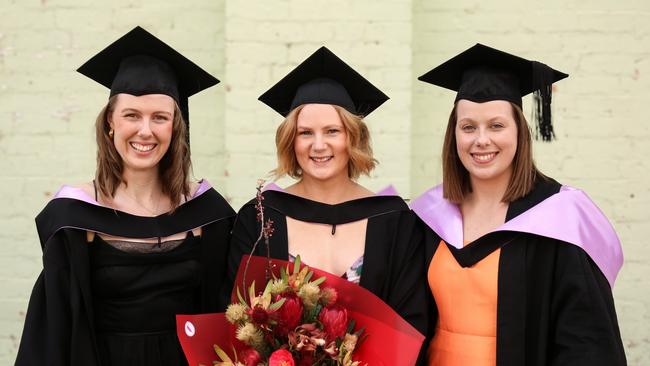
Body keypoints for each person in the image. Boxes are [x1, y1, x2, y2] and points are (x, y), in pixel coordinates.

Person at [15, 26, 235, 366]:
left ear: (175, 127)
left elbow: (227, 313)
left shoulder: (208, 213)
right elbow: (52, 330)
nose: (145, 131)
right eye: (131, 115)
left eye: (159, 118)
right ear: (110, 125)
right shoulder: (74, 217)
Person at [411, 43, 626, 366]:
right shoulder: (428, 216)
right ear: (453, 136)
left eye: (496, 125)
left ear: (520, 133)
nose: (481, 139)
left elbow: (585, 343)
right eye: (468, 127)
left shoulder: (559, 218)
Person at [226, 46, 428, 340]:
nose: (318, 145)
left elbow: (412, 322)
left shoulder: (393, 220)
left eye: (332, 131)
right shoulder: (260, 218)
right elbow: (239, 318)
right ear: (290, 141)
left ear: (353, 137)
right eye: (305, 133)